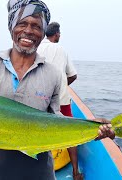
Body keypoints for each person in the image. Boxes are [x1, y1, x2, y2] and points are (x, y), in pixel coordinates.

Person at [0, 0, 115, 179]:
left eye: (36, 26)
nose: (29, 31)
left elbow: (55, 119)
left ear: (42, 33)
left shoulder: (53, 73)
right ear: (11, 27)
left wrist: (91, 127)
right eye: (22, 23)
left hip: (40, 170)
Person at [37, 22, 81, 179]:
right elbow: (73, 75)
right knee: (70, 134)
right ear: (56, 34)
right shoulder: (61, 49)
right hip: (61, 99)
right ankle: (76, 172)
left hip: (39, 99)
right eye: (59, 33)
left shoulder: (37, 47)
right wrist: (61, 86)